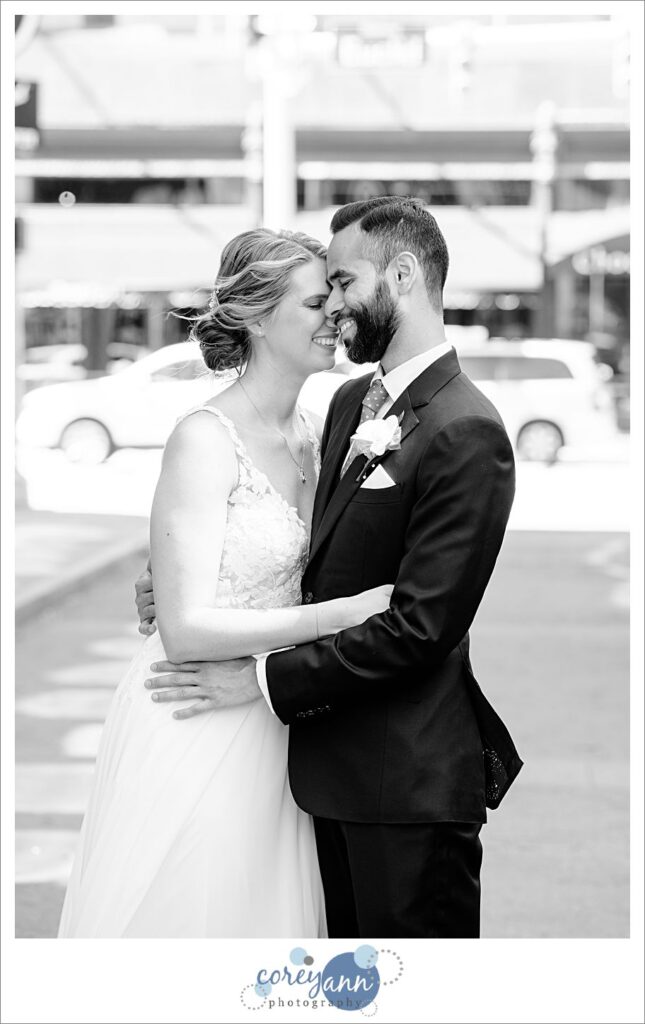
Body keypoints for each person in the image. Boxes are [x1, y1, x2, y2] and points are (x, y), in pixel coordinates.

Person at [138, 197, 523, 939]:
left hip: (405, 786)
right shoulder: (349, 404)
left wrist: (258, 679)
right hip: (317, 776)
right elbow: (305, 546)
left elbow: (419, 629)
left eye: (342, 283)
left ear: (402, 276)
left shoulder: (466, 429)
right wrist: (188, 579)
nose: (336, 306)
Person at [58, 227, 393, 938]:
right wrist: (338, 616)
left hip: (281, 717)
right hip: (194, 716)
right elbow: (184, 630)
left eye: (334, 299)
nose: (336, 315)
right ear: (256, 318)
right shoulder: (205, 439)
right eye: (316, 303)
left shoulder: (324, 433)